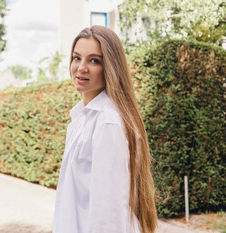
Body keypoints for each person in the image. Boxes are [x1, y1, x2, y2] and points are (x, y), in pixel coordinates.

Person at [53, 25, 158, 233]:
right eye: (76, 58)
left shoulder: (108, 122)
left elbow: (109, 212)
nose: (81, 68)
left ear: (110, 67)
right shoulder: (80, 119)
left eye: (94, 60)